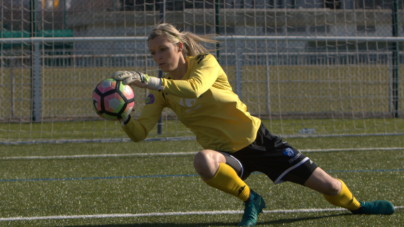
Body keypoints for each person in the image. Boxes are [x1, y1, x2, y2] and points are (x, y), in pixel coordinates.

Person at [111, 23, 395, 226]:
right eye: (153, 53)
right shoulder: (160, 92)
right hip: (228, 155)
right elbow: (139, 134)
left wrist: (145, 78)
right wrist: (123, 114)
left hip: (259, 140)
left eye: (162, 50)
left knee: (331, 188)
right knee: (203, 161)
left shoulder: (205, 63)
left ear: (180, 47)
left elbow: (194, 88)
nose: (158, 58)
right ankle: (252, 200)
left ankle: (358, 207)